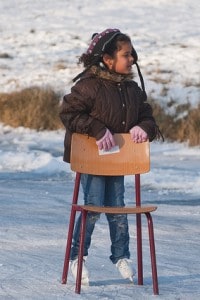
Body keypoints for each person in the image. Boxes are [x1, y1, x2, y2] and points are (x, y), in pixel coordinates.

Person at [60, 28, 161, 285]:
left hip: (118, 160)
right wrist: (96, 128)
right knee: (93, 205)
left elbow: (148, 117)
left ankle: (120, 256)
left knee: (117, 207)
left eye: (132, 54)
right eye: (126, 54)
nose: (132, 59)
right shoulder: (89, 86)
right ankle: (77, 257)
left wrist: (143, 127)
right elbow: (69, 114)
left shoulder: (132, 90)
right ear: (107, 59)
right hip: (92, 160)